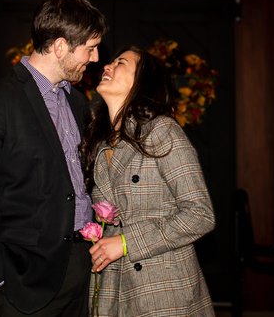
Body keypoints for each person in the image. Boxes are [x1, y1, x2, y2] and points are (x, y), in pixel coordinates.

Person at [0, 0, 108, 316]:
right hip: (22, 284)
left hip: (80, 274)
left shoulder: (76, 102)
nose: (96, 57)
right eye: (89, 47)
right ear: (60, 46)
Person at [80, 46, 215, 316]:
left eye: (120, 63)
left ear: (141, 81)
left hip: (163, 292)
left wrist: (127, 241)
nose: (107, 66)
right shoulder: (100, 142)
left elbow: (201, 214)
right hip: (111, 289)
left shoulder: (162, 130)